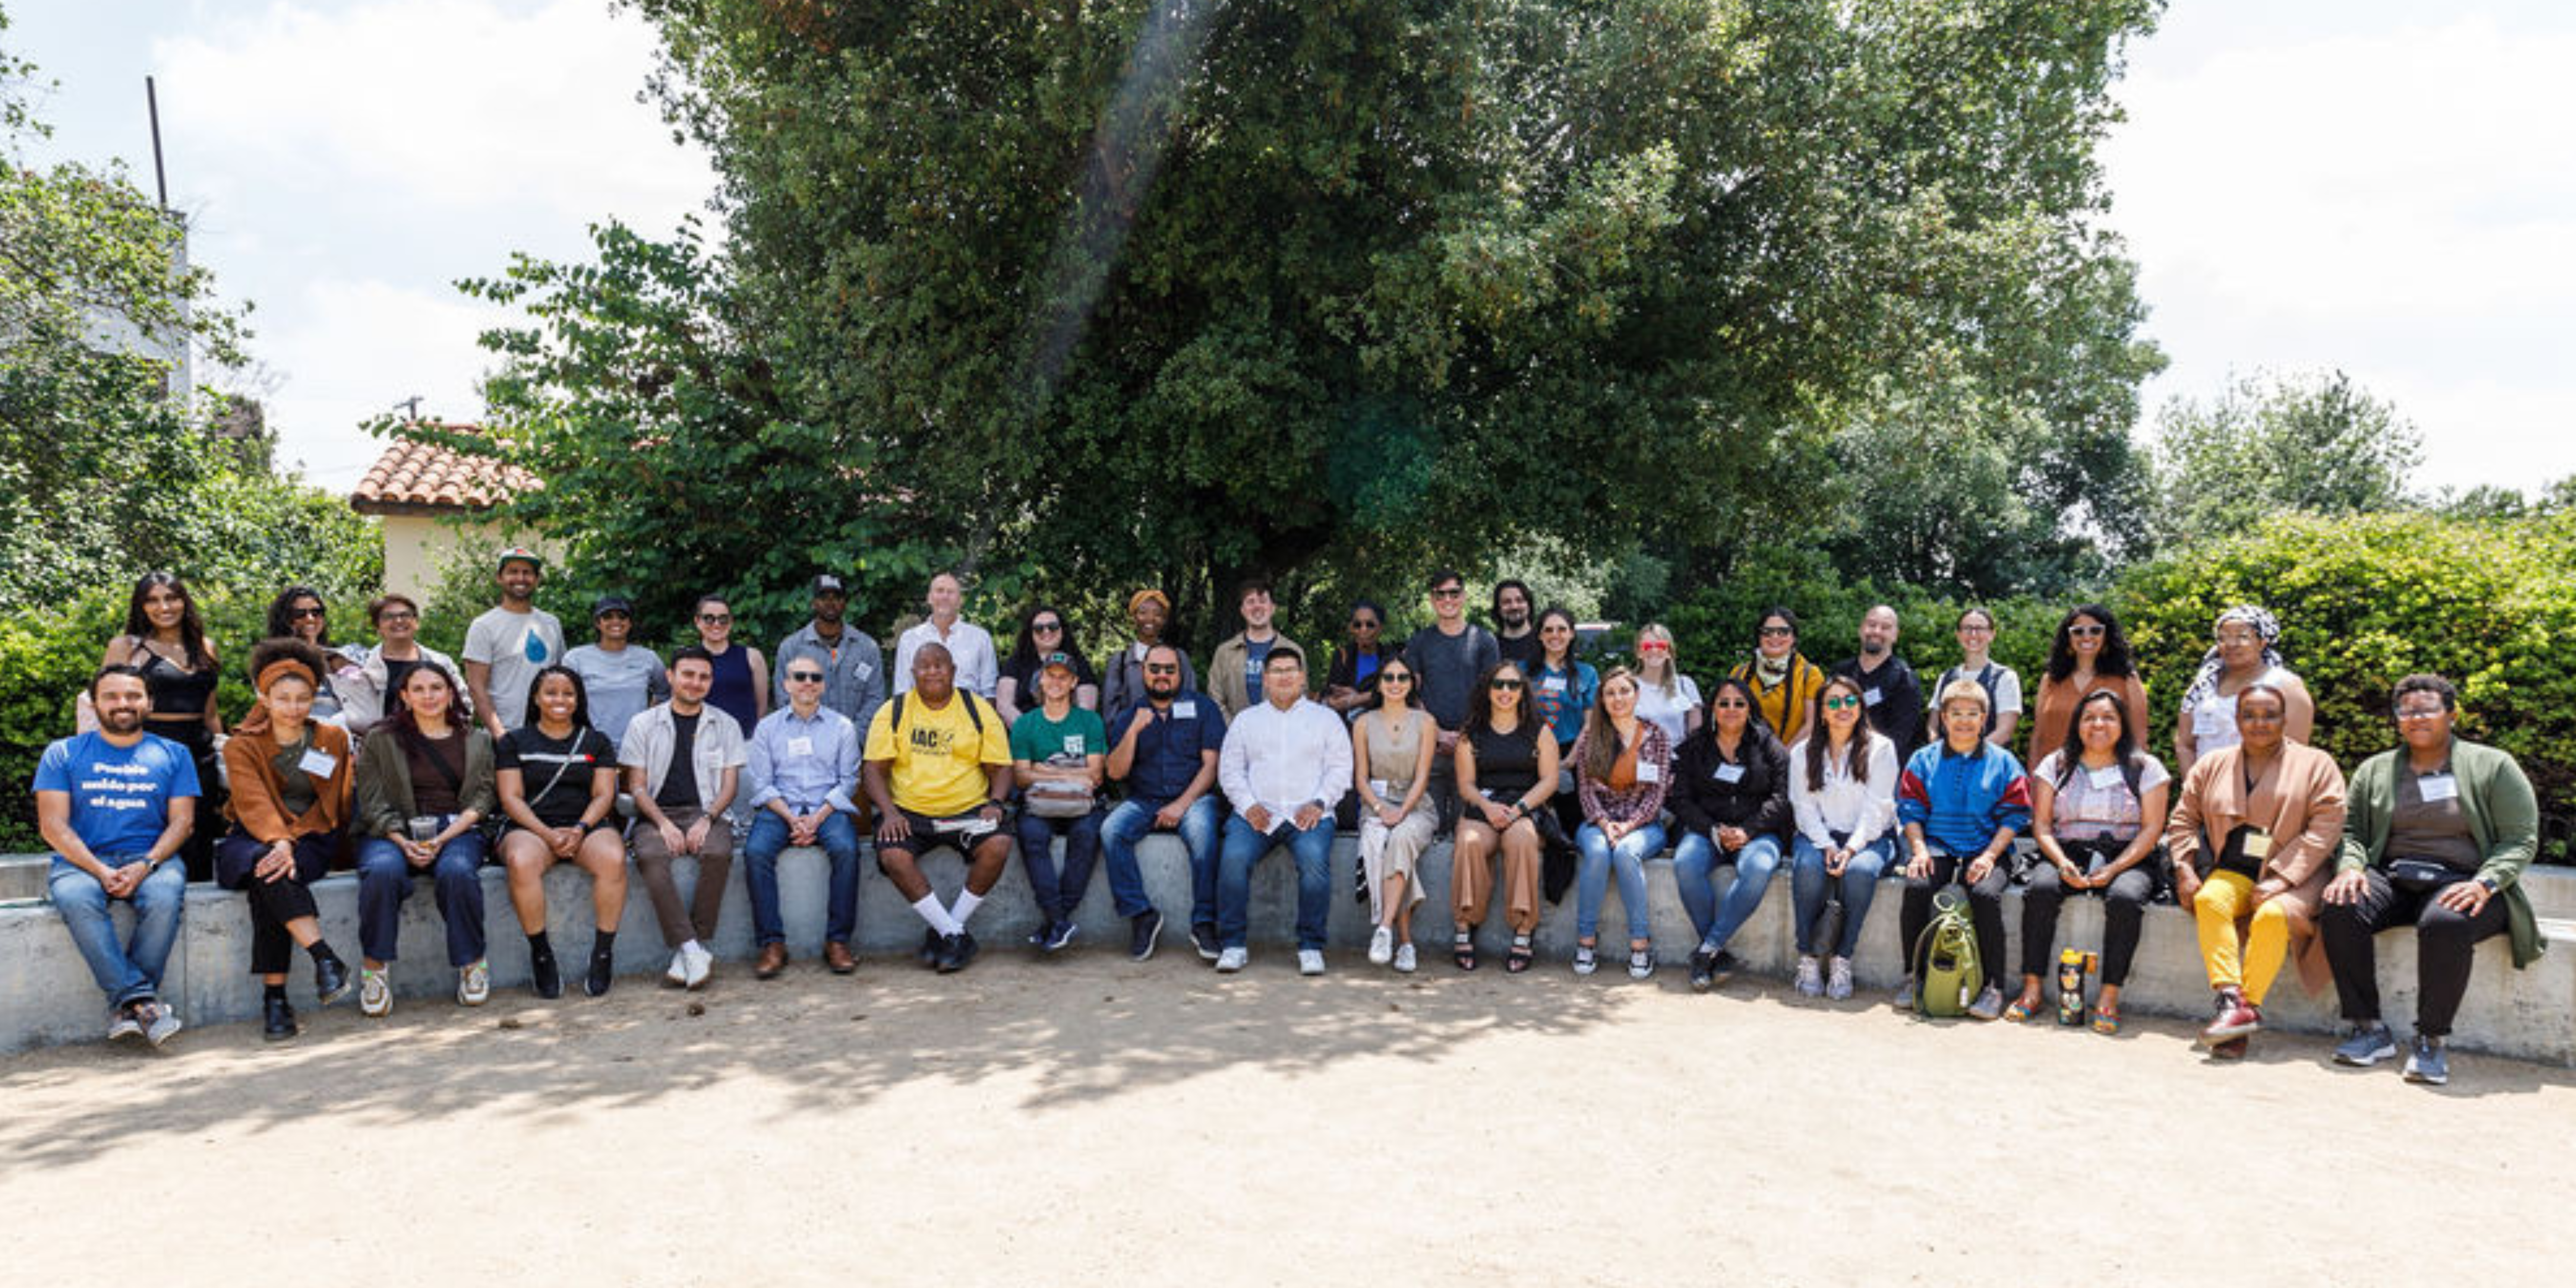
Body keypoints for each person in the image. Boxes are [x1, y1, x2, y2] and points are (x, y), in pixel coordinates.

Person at [2322, 675, 2544, 1085]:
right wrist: (2351, 867)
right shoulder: (2376, 769)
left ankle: (2431, 1039)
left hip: (2466, 880)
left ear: (2452, 715)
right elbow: (2352, 832)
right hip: (2394, 875)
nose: (2415, 718)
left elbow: (2520, 838)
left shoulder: (2493, 766)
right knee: (2340, 904)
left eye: (2426, 709)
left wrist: (2486, 882)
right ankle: (2369, 1028)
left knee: (2445, 922)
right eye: (2405, 711)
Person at [2164, 683, 2346, 1059]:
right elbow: (2183, 819)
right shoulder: (2212, 764)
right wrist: (2184, 866)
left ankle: (2245, 1009)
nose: (2259, 723)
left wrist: (2283, 879)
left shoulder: (2317, 763)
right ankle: (2233, 1002)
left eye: (2270, 715)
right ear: (2237, 720)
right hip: (2237, 868)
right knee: (2210, 899)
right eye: (2250, 715)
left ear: (2285, 719)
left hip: (2301, 872)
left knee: (2273, 915)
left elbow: (2327, 825)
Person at [34, 665, 196, 1047]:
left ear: (149, 703)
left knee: (164, 894)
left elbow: (183, 823)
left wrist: (146, 865)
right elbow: (53, 826)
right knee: (76, 897)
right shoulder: (63, 754)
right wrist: (99, 870)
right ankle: (143, 1002)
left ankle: (127, 1008)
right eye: (112, 697)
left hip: (151, 857)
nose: (123, 704)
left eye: (133, 696)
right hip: (82, 860)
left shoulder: (174, 754)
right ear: (95, 704)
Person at [214, 639, 356, 1042]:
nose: (294, 708)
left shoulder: (332, 738)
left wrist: (290, 843)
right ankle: (323, 957)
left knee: (270, 878)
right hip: (253, 836)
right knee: (269, 869)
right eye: (283, 699)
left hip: (312, 834)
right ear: (264, 698)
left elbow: (335, 800)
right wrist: (278, 842)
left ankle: (275, 1000)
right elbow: (253, 803)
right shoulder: (243, 745)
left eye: (303, 699)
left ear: (315, 698)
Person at [2016, 688, 2170, 1032]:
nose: (2098, 724)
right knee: (2040, 890)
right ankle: (2032, 988)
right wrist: (2060, 862)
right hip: (2066, 850)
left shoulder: (2145, 767)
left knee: (2126, 899)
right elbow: (2041, 825)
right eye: (2089, 718)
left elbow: (2152, 829)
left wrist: (2115, 868)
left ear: (2122, 724)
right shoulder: (2056, 764)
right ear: (2077, 724)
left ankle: (2109, 996)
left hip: (2127, 854)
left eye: (2108, 717)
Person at [351, 660, 496, 1018]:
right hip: (391, 830)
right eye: (418, 689)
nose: (428, 696)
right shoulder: (380, 740)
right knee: (382, 871)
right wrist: (403, 841)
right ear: (404, 696)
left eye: (436, 688)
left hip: (456, 828)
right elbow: (371, 801)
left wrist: (444, 838)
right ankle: (375, 969)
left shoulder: (477, 741)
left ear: (450, 694)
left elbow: (483, 797)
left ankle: (472, 964)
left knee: (459, 871)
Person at [864, 642, 1016, 972]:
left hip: (969, 811)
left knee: (999, 844)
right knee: (893, 855)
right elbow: (873, 769)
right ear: (913, 673)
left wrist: (996, 803)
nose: (933, 671)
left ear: (954, 672)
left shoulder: (977, 709)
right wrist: (889, 812)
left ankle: (947, 931)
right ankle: (954, 935)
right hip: (910, 812)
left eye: (940, 665)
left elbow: (1002, 766)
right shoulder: (895, 710)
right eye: (925, 666)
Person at [1894, 679, 2033, 1020]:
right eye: (1956, 713)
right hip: (1937, 845)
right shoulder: (1923, 760)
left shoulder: (2003, 762)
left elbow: (2016, 814)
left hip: (1987, 848)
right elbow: (1910, 809)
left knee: (1985, 895)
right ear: (1944, 717)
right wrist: (1920, 850)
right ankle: (1914, 977)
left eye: (1973, 713)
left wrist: (1989, 856)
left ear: (1985, 718)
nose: (1964, 721)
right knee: (1917, 889)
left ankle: (1994, 987)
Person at [1212, 644, 1349, 975]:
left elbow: (1341, 769)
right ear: (1265, 680)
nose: (1285, 677)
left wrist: (1319, 803)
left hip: (1310, 812)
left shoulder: (1326, 719)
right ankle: (1232, 944)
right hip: (1257, 813)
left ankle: (1311, 946)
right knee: (1232, 860)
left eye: (1291, 670)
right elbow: (1230, 771)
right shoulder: (1246, 721)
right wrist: (1248, 807)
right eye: (1277, 671)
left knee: (1315, 865)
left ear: (1302, 677)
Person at [496, 666, 626, 1000]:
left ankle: (603, 953)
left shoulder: (596, 741)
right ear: (536, 698)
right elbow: (511, 797)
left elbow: (604, 795)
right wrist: (548, 834)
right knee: (521, 861)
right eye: (551, 693)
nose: (560, 700)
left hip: (586, 824)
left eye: (568, 693)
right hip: (531, 827)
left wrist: (581, 829)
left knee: (613, 857)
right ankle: (541, 953)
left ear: (578, 699)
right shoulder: (514, 741)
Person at [622, 647, 746, 990]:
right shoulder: (643, 724)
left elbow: (730, 786)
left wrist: (707, 819)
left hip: (707, 811)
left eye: (704, 677)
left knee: (718, 853)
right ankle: (693, 948)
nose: (696, 683)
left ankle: (691, 949)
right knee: (651, 856)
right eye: (688, 675)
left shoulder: (726, 724)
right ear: (671, 677)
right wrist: (662, 824)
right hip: (657, 814)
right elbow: (637, 786)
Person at [741, 653, 865, 979]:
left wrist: (817, 818)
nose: (808, 683)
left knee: (847, 850)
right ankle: (772, 944)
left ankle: (838, 941)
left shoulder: (843, 727)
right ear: (786, 685)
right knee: (755, 853)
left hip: (828, 808)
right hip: (780, 808)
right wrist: (794, 819)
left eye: (815, 677)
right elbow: (763, 783)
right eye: (800, 677)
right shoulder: (767, 728)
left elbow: (849, 781)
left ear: (824, 685)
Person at [1102, 643, 1227, 962]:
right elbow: (1115, 772)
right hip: (1145, 799)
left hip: (1195, 798)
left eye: (1169, 670)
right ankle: (1141, 914)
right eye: (1155, 669)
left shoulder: (1204, 708)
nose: (1162, 676)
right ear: (1143, 672)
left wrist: (1181, 806)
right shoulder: (1131, 715)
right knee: (1111, 830)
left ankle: (1204, 923)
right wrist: (1134, 731)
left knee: (1202, 831)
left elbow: (1211, 767)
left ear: (1180, 673)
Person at [100, 571, 224, 882]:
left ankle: (199, 921)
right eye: (152, 601)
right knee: (149, 831)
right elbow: (106, 704)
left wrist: (226, 753)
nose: (164, 607)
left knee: (199, 834)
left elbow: (211, 713)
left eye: (171, 598)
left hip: (200, 754)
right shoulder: (127, 648)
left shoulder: (206, 647)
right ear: (141, 607)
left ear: (184, 602)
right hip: (147, 752)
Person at [1672, 678, 1793, 991]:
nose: (1731, 709)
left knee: (1758, 868)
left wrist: (1749, 831)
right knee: (1685, 863)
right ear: (1713, 708)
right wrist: (1712, 829)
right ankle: (1717, 954)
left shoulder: (1769, 745)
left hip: (1757, 832)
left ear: (1750, 708)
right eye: (1724, 703)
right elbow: (1681, 799)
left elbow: (1782, 797)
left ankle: (1707, 949)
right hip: (1707, 830)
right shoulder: (1694, 747)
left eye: (1739, 703)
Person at [1787, 675, 1901, 1001]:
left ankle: (1842, 959)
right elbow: (1803, 807)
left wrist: (1850, 849)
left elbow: (1878, 808)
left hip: (1871, 837)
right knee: (1808, 868)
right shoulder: (1802, 753)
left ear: (1861, 707)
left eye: (1850, 701)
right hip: (1817, 835)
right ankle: (1808, 957)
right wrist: (1826, 845)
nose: (1842, 708)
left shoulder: (1882, 749)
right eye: (1833, 702)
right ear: (1821, 712)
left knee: (1861, 872)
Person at [1449, 661, 1560, 973]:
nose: (1506, 692)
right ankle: (1465, 924)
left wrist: (1519, 810)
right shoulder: (1472, 733)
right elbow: (1466, 785)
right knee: (1469, 842)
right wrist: (1488, 808)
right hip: (1483, 807)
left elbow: (1549, 781)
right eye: (1499, 685)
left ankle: (1524, 929)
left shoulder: (1539, 732)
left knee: (1523, 840)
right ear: (1488, 690)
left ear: (1524, 691)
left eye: (1513, 686)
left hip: (1524, 808)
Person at [1570, 668, 1673, 981]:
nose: (1618, 699)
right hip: (1597, 822)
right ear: (1602, 699)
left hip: (1644, 825)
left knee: (1626, 854)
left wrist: (1628, 827)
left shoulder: (1657, 736)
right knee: (1599, 853)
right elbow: (1586, 789)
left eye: (1624, 692)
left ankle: (1640, 944)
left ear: (1636, 695)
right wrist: (1604, 823)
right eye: (1610, 693)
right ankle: (1586, 941)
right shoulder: (1592, 736)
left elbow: (1656, 795)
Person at [1010, 651, 1109, 953]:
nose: (1056, 682)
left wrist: (1045, 770)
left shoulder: (1090, 721)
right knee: (1032, 836)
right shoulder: (1025, 724)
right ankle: (1059, 920)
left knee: (1087, 835)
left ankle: (1056, 920)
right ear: (1041, 679)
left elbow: (1095, 776)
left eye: (1063, 677)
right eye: (1050, 675)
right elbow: (1021, 778)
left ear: (1074, 683)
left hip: (1082, 804)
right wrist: (1071, 774)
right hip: (1040, 804)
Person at [1352, 657, 1438, 972]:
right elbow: (1361, 777)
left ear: (1411, 683)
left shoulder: (1426, 722)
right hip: (1375, 803)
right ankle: (1404, 942)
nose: (1396, 683)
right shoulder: (1363, 723)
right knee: (1386, 840)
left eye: (1403, 677)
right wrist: (1380, 808)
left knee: (1401, 836)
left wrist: (1401, 811)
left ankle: (1384, 928)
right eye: (1389, 677)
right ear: (1379, 683)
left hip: (1416, 806)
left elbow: (1423, 776)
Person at [2174, 606, 2316, 773]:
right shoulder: (2203, 686)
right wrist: (2195, 788)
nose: (2231, 644)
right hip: (2207, 790)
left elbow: (2295, 752)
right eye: (2222, 638)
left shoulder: (2284, 685)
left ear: (2262, 642)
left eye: (2242, 637)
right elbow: (2185, 744)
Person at [1404, 570, 1502, 785]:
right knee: (1431, 817)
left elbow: (1494, 695)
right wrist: (1438, 733)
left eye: (1454, 593)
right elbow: (1410, 693)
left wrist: (1465, 736)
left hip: (1474, 745)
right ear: (1432, 599)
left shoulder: (1485, 641)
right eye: (1441, 595)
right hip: (1429, 746)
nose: (1448, 600)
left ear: (1464, 596)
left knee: (1468, 816)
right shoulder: (1419, 642)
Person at [2026, 604, 2150, 770]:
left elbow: (2140, 738)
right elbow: (2038, 737)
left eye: (2095, 631)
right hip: (2054, 777)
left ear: (2107, 636)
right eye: (2078, 631)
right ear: (2068, 638)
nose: (2087, 637)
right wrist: (2034, 779)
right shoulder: (2051, 680)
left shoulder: (2127, 679)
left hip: (2110, 780)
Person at [462, 546, 565, 739]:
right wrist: (499, 734)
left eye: (527, 573)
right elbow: (476, 687)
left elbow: (561, 679)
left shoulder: (552, 624)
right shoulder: (484, 626)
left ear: (537, 580)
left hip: (550, 732)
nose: (521, 578)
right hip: (506, 733)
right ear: (500, 578)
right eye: (513, 572)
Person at [337, 593, 465, 736]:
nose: (398, 621)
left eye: (405, 615)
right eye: (389, 617)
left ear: (416, 622)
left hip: (433, 746)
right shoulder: (362, 666)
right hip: (380, 750)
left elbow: (463, 705)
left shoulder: (440, 663)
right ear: (377, 627)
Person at [1529, 607, 1600, 865]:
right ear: (1539, 635)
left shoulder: (1587, 673)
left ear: (1571, 635)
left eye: (1562, 629)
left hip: (1572, 755)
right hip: (1531, 756)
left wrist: (1569, 761)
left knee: (1571, 828)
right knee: (1536, 828)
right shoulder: (1524, 671)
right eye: (1548, 630)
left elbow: (1591, 725)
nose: (1555, 635)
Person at [773, 574, 887, 729]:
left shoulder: (867, 648)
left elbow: (875, 699)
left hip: (857, 746)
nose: (831, 603)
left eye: (837, 597)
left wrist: (852, 737)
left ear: (845, 603)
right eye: (824, 597)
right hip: (807, 744)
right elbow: (785, 698)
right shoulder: (792, 648)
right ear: (814, 603)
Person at [562, 594, 668, 745]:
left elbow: (665, 692)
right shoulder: (575, 658)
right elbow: (564, 700)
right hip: (589, 743)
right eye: (608, 617)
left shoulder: (648, 658)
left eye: (622, 617)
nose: (616, 622)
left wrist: (650, 721)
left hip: (638, 744)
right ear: (598, 623)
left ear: (630, 623)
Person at [1832, 604, 1925, 762]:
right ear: (1861, 630)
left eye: (1886, 627)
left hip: (1881, 768)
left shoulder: (1905, 679)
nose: (1877, 631)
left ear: (1896, 635)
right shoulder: (1840, 672)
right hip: (1836, 763)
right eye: (1872, 625)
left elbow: (1900, 739)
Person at [892, 571, 1000, 700]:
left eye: (951, 592)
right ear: (930, 598)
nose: (945, 597)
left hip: (969, 716)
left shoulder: (981, 639)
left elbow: (989, 694)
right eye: (940, 591)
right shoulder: (910, 639)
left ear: (960, 601)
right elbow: (902, 692)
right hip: (921, 716)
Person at [1730, 606, 1827, 746]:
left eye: (1783, 632)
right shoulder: (1740, 673)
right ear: (1759, 637)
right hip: (1745, 760)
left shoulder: (1810, 675)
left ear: (1794, 637)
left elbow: (1812, 725)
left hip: (1792, 760)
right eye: (1767, 632)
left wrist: (1782, 758)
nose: (1775, 637)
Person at [1208, 578, 1301, 721]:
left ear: (1273, 608)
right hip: (1236, 735)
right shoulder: (1225, 653)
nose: (1257, 607)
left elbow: (1301, 697)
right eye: (1251, 602)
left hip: (1282, 735)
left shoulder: (1294, 651)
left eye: (1263, 601)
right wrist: (1236, 729)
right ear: (1243, 611)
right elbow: (1216, 697)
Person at [266, 585, 360, 726]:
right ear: (285, 619)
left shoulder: (341, 656)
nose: (310, 619)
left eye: (317, 612)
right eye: (300, 614)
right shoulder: (273, 660)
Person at [1098, 588, 1197, 720]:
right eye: (1143, 613)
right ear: (1134, 618)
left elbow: (1189, 702)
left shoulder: (1179, 658)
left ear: (1165, 620)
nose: (1150, 619)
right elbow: (1110, 712)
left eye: (1158, 614)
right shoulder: (1120, 662)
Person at [1930, 607, 2021, 748]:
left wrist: (1970, 755)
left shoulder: (2006, 678)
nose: (1973, 634)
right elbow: (1934, 726)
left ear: (1992, 634)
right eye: (1967, 628)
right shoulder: (1945, 677)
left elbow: (2005, 732)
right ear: (1958, 635)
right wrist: (1937, 751)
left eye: (1980, 629)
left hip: (1988, 764)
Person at [997, 604, 1100, 724]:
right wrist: (1029, 732)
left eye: (1053, 627)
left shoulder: (1079, 662)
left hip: (1069, 733)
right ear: (1031, 633)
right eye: (1039, 628)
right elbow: (1005, 706)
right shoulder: (1017, 662)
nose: (1047, 632)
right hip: (1025, 732)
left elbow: (1087, 707)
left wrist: (1063, 733)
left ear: (1062, 630)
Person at [690, 593, 770, 737]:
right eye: (709, 619)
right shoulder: (688, 660)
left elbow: (762, 706)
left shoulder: (752, 657)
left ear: (731, 622)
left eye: (723, 619)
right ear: (698, 622)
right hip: (701, 742)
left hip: (745, 742)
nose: (717, 624)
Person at [1631, 622, 1703, 746]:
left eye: (1661, 646)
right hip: (1639, 761)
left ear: (1669, 652)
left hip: (1678, 761)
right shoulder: (1628, 687)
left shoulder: (1685, 685)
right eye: (1648, 646)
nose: (1654, 650)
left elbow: (1696, 736)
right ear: (1639, 652)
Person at [1321, 598, 1393, 719]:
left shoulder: (1391, 658)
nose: (1363, 630)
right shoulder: (1343, 655)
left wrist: (1358, 699)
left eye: (1370, 625)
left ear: (1380, 628)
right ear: (1351, 628)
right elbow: (1331, 695)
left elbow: (1398, 691)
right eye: (1357, 625)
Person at [1491, 578, 1541, 670]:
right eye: (1507, 602)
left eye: (1520, 600)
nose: (1514, 606)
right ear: (1499, 609)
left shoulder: (1544, 642)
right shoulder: (1490, 646)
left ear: (1529, 605)